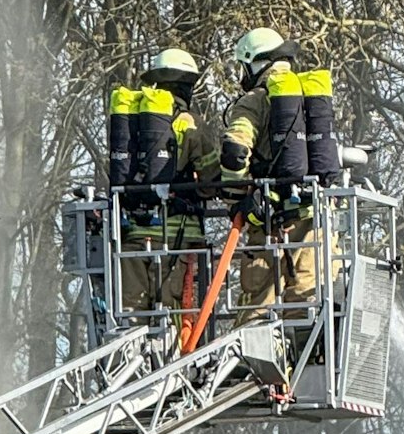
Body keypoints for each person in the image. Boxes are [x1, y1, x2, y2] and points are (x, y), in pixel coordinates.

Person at [219, 27, 318, 327]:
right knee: (306, 307)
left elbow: (235, 151)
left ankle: (258, 360)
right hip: (314, 221)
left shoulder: (255, 100)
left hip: (270, 224)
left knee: (257, 311)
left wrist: (236, 200)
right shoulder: (309, 95)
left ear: (255, 63)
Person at [120, 47, 219, 321]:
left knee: (131, 314)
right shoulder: (189, 123)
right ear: (186, 85)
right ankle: (175, 350)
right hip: (177, 237)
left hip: (131, 234)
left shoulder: (132, 121)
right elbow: (211, 180)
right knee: (173, 309)